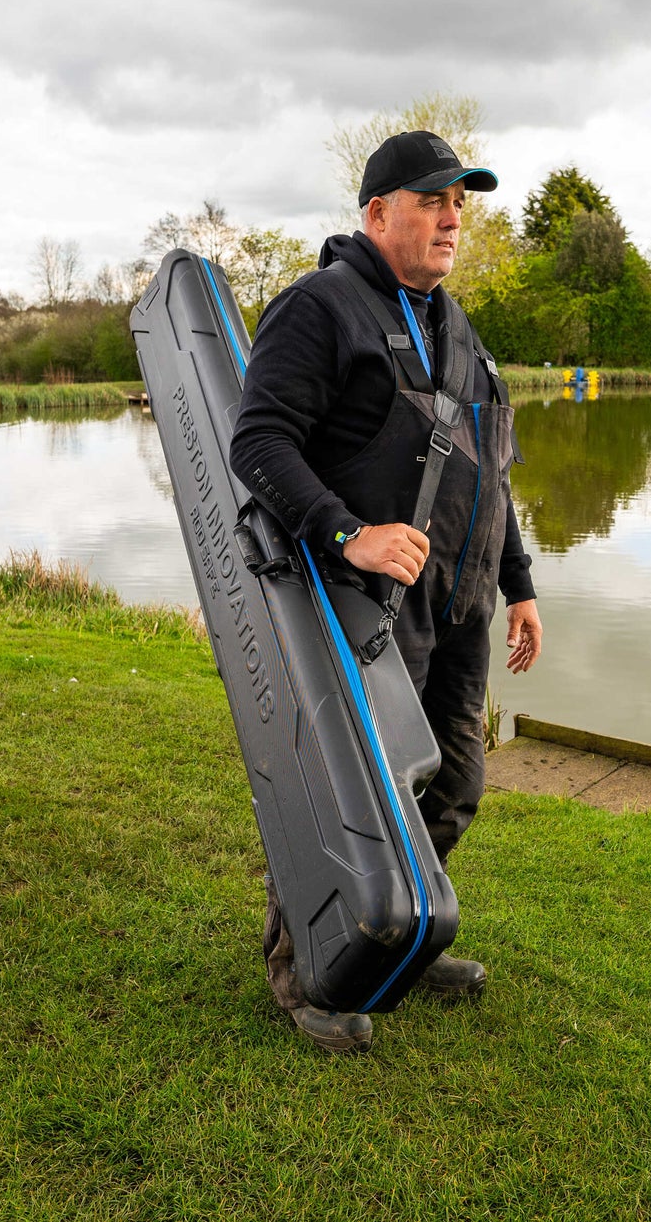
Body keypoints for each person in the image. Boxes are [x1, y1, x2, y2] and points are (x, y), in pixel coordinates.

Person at [230, 130, 544, 1054]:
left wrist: (518, 583)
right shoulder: (321, 309)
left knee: (451, 786)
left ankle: (399, 937)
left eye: (462, 203)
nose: (454, 217)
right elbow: (258, 440)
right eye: (434, 199)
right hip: (372, 607)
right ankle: (305, 968)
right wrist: (347, 533)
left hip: (462, 605)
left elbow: (490, 468)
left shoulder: (456, 325)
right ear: (377, 214)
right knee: (353, 791)